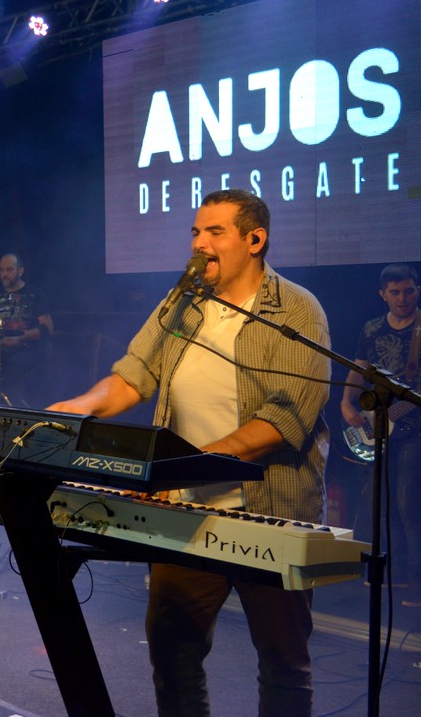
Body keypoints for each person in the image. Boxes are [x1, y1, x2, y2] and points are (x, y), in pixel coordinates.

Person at [47, 189, 330, 716]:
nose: (199, 244)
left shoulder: (296, 310)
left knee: (284, 664)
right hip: (187, 509)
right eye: (195, 233)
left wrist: (186, 460)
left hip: (269, 512)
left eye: (214, 233)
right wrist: (74, 408)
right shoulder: (183, 302)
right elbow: (133, 376)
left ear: (254, 239)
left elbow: (284, 418)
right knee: (173, 653)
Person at [340, 263, 421, 608]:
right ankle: (390, 574)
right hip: (379, 427)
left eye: (409, 291)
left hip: (414, 429)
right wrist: (345, 402)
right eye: (396, 292)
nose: (403, 298)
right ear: (382, 295)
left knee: (408, 505)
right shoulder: (372, 328)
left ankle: (415, 580)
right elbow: (359, 369)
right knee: (377, 505)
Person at [0, 253, 53, 407]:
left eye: (9, 270)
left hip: (27, 348)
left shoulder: (35, 294)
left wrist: (18, 339)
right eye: (2, 270)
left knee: (13, 366)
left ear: (20, 271)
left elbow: (47, 328)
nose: (5, 274)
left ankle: (12, 408)